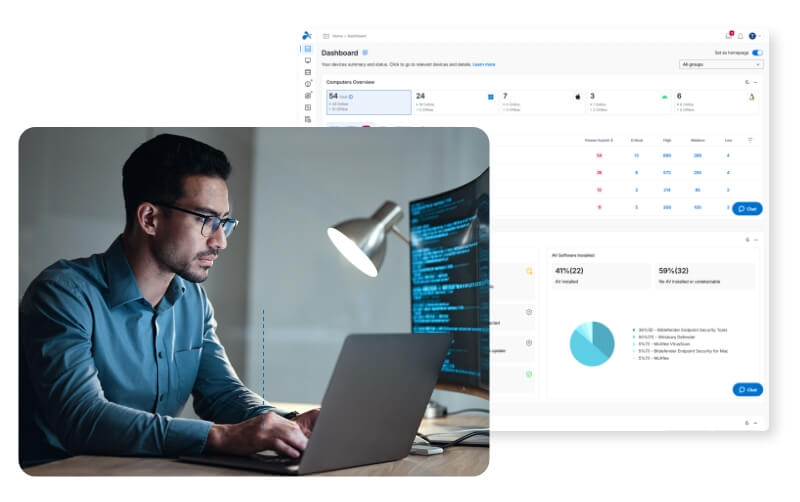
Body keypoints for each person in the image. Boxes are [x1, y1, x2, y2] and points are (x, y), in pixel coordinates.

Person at [19, 133, 318, 467]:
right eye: (207, 220)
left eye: (224, 222)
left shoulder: (194, 302)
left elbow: (223, 395)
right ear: (150, 218)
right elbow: (83, 419)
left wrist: (287, 422)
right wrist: (219, 437)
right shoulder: (62, 295)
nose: (220, 241)